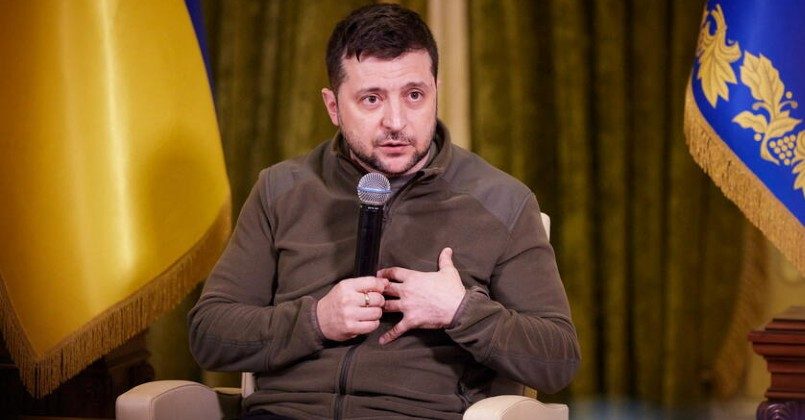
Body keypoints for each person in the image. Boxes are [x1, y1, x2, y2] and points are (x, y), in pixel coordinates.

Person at [188, 4, 580, 419]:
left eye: (414, 95)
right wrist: (316, 319)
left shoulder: (503, 201)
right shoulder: (280, 189)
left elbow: (558, 359)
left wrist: (461, 311)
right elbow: (209, 334)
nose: (396, 121)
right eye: (371, 99)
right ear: (333, 106)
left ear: (435, 92)